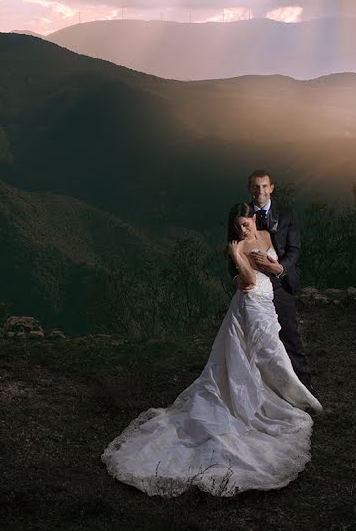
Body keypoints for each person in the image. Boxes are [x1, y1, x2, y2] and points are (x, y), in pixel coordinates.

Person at [101, 203, 322, 497]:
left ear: (254, 220)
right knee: (269, 354)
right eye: (238, 227)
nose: (243, 230)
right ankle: (293, 399)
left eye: (246, 224)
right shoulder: (239, 246)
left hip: (268, 304)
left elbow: (273, 266)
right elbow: (249, 281)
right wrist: (236, 255)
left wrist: (275, 268)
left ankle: (285, 395)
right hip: (251, 305)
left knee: (263, 355)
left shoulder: (267, 235)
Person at [231, 170, 312, 390]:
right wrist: (237, 278)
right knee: (257, 341)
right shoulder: (241, 214)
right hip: (254, 289)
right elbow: (233, 254)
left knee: (289, 333)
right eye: (256, 187)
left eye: (264, 186)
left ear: (272, 188)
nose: (260, 191)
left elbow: (295, 249)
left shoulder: (285, 214)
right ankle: (263, 388)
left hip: (280, 281)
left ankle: (303, 384)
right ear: (249, 188)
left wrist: (280, 267)